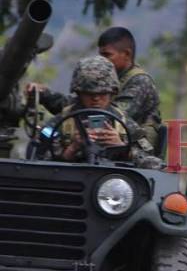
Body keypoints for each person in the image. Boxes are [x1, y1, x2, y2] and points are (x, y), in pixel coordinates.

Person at [30, 26, 162, 149]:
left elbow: (106, 114)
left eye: (107, 55)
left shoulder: (140, 81)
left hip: (132, 146)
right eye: (88, 93)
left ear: (127, 54)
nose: (96, 98)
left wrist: (51, 98)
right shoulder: (108, 79)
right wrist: (44, 94)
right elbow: (80, 106)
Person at [41, 56, 158, 168]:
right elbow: (40, 161)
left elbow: (151, 162)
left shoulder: (123, 122)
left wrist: (121, 147)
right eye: (89, 93)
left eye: (102, 93)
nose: (96, 98)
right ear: (79, 92)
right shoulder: (62, 121)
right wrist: (72, 148)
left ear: (112, 92)